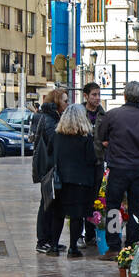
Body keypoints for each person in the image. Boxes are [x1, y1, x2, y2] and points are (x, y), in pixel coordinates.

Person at [96, 80, 139, 258]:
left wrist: (111, 148)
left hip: (117, 167)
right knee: (135, 208)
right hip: (138, 169)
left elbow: (101, 136)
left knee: (112, 207)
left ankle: (113, 246)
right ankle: (132, 244)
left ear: (125, 95)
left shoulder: (112, 115)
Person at [50, 103, 100, 258]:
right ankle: (73, 248)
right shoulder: (85, 138)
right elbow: (91, 159)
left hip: (60, 181)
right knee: (76, 216)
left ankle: (53, 247)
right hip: (80, 182)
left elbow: (51, 155)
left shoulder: (57, 136)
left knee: (58, 214)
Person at [69, 82, 106, 247]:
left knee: (94, 198)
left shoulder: (103, 115)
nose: (97, 98)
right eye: (94, 95)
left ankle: (91, 234)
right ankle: (78, 235)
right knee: (80, 199)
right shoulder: (78, 113)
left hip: (98, 161)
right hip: (81, 164)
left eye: (99, 94)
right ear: (86, 96)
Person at [31, 89, 67, 254]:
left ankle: (51, 240)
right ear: (57, 102)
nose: (67, 104)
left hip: (50, 166)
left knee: (52, 204)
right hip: (48, 168)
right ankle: (43, 241)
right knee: (46, 204)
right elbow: (54, 142)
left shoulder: (52, 117)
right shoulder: (49, 119)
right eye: (65, 101)